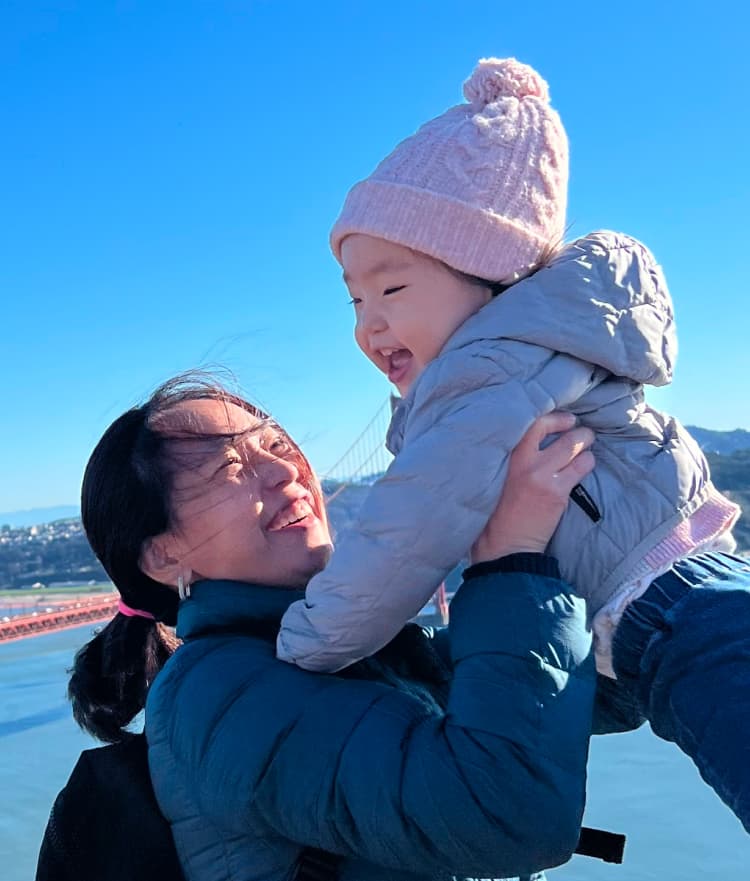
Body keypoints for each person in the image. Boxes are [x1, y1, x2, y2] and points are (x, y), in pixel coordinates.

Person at [276, 57, 750, 831]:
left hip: (669, 614)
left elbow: (407, 530)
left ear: (492, 280)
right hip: (667, 604)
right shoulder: (531, 351)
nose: (368, 323)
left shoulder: (484, 372)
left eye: (393, 290)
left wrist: (304, 642)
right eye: (356, 299)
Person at [64, 374, 634, 881]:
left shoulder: (365, 651)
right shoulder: (214, 699)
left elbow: (623, 685)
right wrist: (510, 557)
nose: (286, 471)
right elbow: (511, 817)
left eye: (277, 445)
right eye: (230, 467)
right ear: (164, 557)